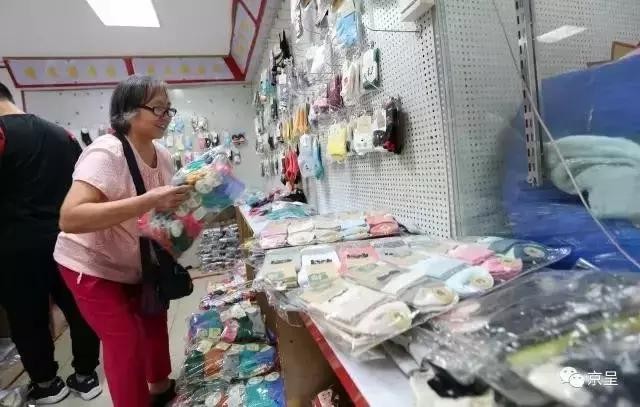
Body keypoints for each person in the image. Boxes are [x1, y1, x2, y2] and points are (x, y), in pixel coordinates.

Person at [54, 75, 191, 407]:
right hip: (91, 264)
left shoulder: (163, 155)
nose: (165, 116)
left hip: (135, 259)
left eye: (168, 109)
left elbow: (158, 213)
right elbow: (70, 217)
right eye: (157, 108)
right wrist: (149, 201)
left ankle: (160, 387)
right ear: (127, 112)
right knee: (124, 340)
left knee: (154, 316)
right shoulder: (106, 152)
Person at [0, 82, 102, 404]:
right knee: (79, 309)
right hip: (67, 239)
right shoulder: (62, 135)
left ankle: (47, 384)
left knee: (28, 318)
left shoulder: (2, 134)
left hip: (16, 246)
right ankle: (86, 376)